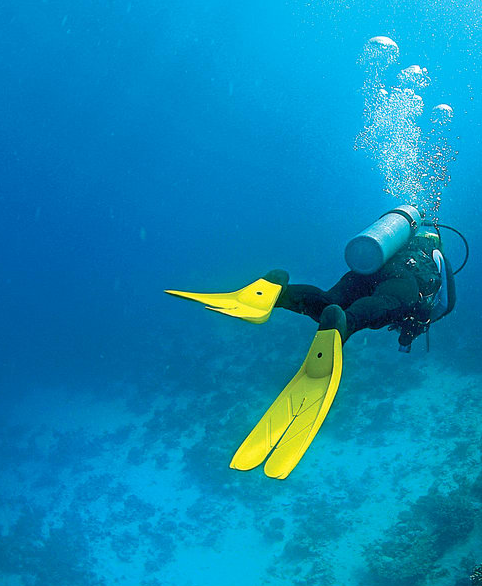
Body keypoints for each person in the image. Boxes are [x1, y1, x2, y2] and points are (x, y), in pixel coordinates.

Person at [166, 206, 463, 480]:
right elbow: (446, 304)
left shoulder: (395, 247)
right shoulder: (436, 259)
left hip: (368, 270)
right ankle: (343, 327)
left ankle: (274, 289)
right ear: (436, 242)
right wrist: (412, 328)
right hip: (404, 281)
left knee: (329, 301)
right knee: (387, 303)